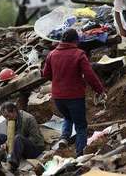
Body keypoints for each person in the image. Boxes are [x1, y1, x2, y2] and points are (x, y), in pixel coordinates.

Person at [42, 29, 105, 157]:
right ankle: (80, 154)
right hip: (74, 96)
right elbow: (89, 75)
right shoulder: (79, 54)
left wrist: (59, 79)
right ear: (75, 40)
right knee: (81, 126)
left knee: (67, 117)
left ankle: (64, 138)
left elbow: (46, 74)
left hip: (58, 98)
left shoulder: (52, 54)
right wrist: (99, 90)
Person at [0, 102, 45, 171]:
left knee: (18, 138)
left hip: (35, 148)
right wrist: (7, 143)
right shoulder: (9, 120)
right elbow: (10, 136)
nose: (7, 119)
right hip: (19, 145)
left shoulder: (28, 118)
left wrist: (17, 143)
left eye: (8, 116)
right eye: (5, 117)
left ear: (14, 111)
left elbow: (36, 139)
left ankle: (12, 165)